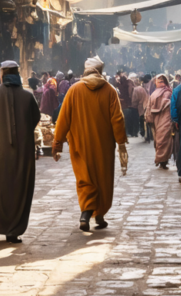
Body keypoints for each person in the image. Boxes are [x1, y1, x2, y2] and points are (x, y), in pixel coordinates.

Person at [53, 57, 129, 231]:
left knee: (85, 178)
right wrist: (121, 142)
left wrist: (57, 143)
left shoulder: (74, 90)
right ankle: (98, 215)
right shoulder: (109, 90)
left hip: (80, 144)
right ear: (100, 71)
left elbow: (63, 118)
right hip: (104, 145)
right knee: (103, 179)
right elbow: (117, 119)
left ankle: (86, 214)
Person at [0, 61, 40, 243]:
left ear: (3, 74)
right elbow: (34, 118)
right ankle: (13, 231)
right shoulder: (28, 96)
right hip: (23, 153)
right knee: (20, 191)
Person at [146, 74, 174, 169]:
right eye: (159, 80)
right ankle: (161, 160)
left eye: (162, 80)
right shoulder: (161, 93)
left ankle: (162, 160)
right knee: (161, 140)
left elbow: (149, 108)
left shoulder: (163, 92)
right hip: (161, 120)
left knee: (162, 140)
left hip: (163, 119)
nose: (161, 82)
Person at [131, 74, 149, 141]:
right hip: (146, 105)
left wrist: (133, 104)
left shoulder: (135, 89)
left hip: (140, 107)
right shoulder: (144, 88)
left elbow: (134, 100)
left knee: (141, 120)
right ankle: (147, 134)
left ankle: (143, 132)